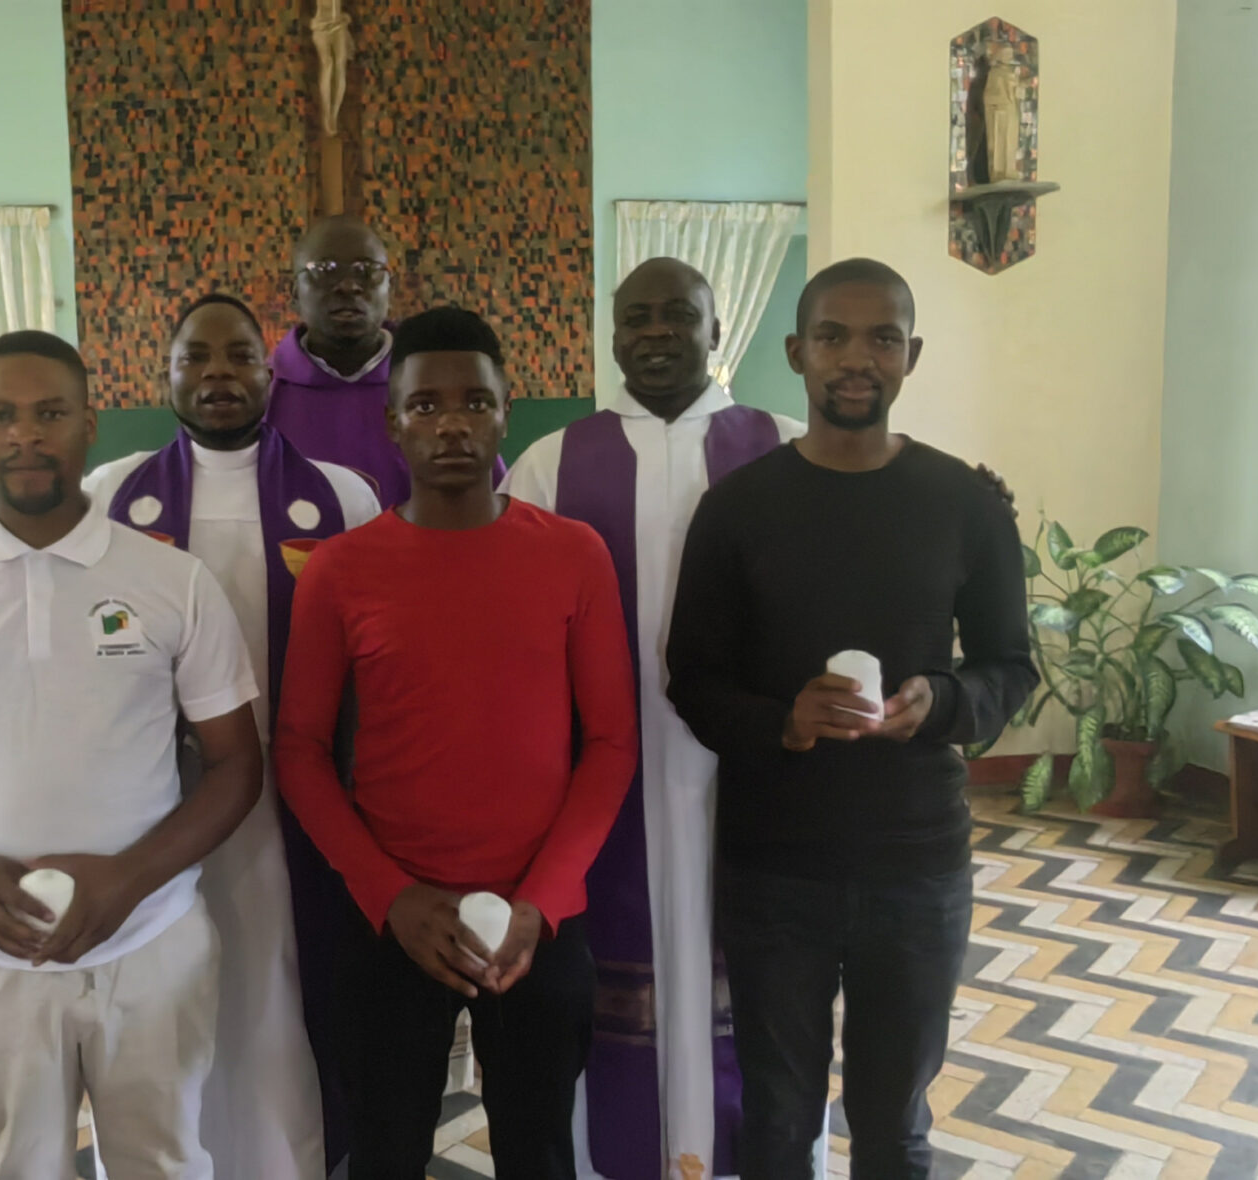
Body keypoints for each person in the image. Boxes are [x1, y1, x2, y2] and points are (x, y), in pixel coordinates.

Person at [0, 330, 264, 1179]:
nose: (25, 435)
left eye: (50, 414)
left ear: (89, 428)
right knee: (16, 1167)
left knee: (163, 1161)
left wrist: (129, 879)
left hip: (148, 938)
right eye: (2, 414)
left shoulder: (171, 582)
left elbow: (236, 767)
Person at [666, 260, 1037, 1180]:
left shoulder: (965, 503)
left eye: (882, 337)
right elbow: (694, 680)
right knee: (779, 1118)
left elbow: (1009, 665)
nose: (856, 359)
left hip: (916, 866)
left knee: (893, 1121)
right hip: (775, 868)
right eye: (833, 336)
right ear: (796, 352)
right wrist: (784, 723)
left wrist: (939, 703)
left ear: (912, 353)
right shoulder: (739, 507)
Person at [276, 306, 637, 1180]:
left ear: (507, 412)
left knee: (540, 1150)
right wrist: (389, 895)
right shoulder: (341, 569)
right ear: (393, 422)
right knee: (386, 1152)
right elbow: (298, 749)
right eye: (425, 405)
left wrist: (542, 901)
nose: (450, 424)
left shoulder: (573, 554)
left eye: (474, 403)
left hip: (538, 921)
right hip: (396, 918)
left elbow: (614, 743)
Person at [503, 257, 803, 1180]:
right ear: (614, 331)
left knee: (760, 992)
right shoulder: (553, 462)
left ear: (719, 329)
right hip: (607, 777)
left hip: (756, 771)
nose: (659, 332)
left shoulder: (784, 447)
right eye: (638, 317)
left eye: (681, 315)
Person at [81, 293, 383, 1179]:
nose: (218, 373)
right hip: (160, 802)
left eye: (239, 356)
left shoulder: (341, 495)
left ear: (269, 373)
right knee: (170, 986)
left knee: (282, 988)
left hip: (301, 799)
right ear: (165, 374)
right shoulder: (112, 494)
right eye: (196, 357)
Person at [263, 214, 500, 504]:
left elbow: (488, 499)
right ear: (294, 292)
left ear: (390, 287)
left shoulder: (434, 383)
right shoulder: (264, 393)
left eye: (367, 270)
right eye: (325, 269)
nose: (348, 286)